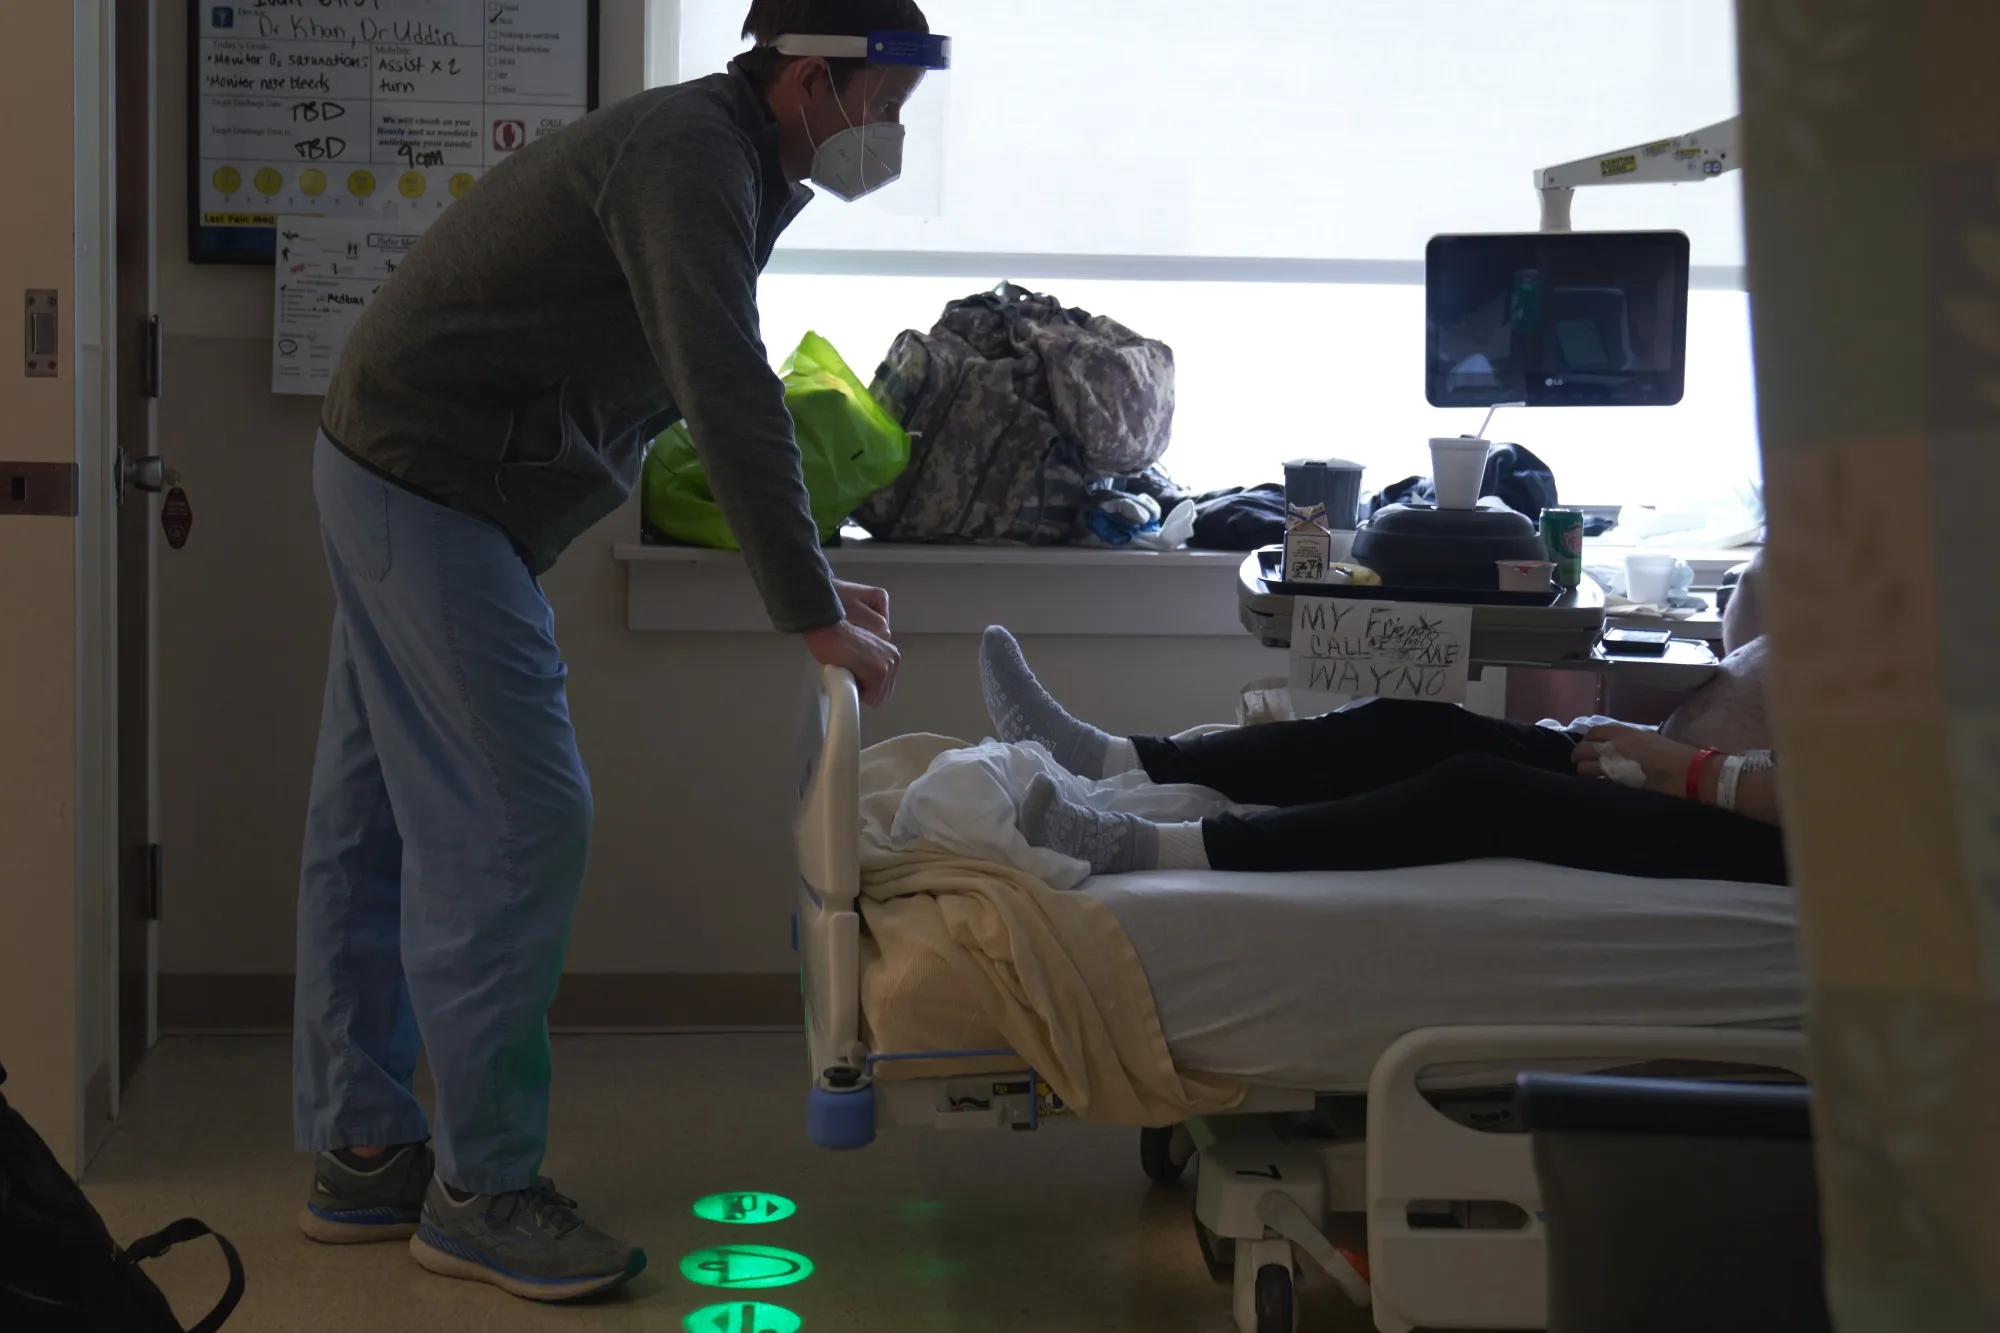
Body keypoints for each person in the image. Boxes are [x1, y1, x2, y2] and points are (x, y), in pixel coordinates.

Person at [291, 0, 937, 1301]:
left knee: (368, 823)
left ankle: (363, 1149)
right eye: (886, 101)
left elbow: (671, 401)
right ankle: (481, 1191)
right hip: (429, 476)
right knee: (523, 817)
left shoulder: (734, 161)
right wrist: (807, 605)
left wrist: (807, 571)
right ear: (812, 79)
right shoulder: (691, 157)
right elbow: (727, 384)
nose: (894, 132)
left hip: (411, 470)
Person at [979, 554, 1786, 887]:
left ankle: (1139, 846)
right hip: (1681, 768)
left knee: (1476, 789)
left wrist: (1686, 769)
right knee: (1420, 722)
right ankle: (1112, 756)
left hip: (1764, 832)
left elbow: (1858, 807)